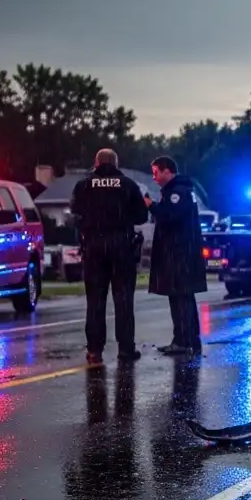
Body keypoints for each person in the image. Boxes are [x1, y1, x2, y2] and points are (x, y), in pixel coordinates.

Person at [70, 148, 149, 364]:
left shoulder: (84, 185)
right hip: (122, 247)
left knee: (95, 301)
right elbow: (142, 216)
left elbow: (74, 212)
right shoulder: (128, 185)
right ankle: (126, 349)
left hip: (94, 247)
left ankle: (95, 350)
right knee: (124, 300)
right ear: (117, 163)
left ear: (96, 163)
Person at [145, 156, 208, 357]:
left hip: (180, 254)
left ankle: (184, 341)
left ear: (167, 171)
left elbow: (169, 217)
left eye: (156, 172)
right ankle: (186, 340)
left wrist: (151, 206)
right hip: (181, 253)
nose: (154, 178)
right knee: (182, 298)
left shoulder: (178, 192)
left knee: (181, 298)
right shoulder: (181, 191)